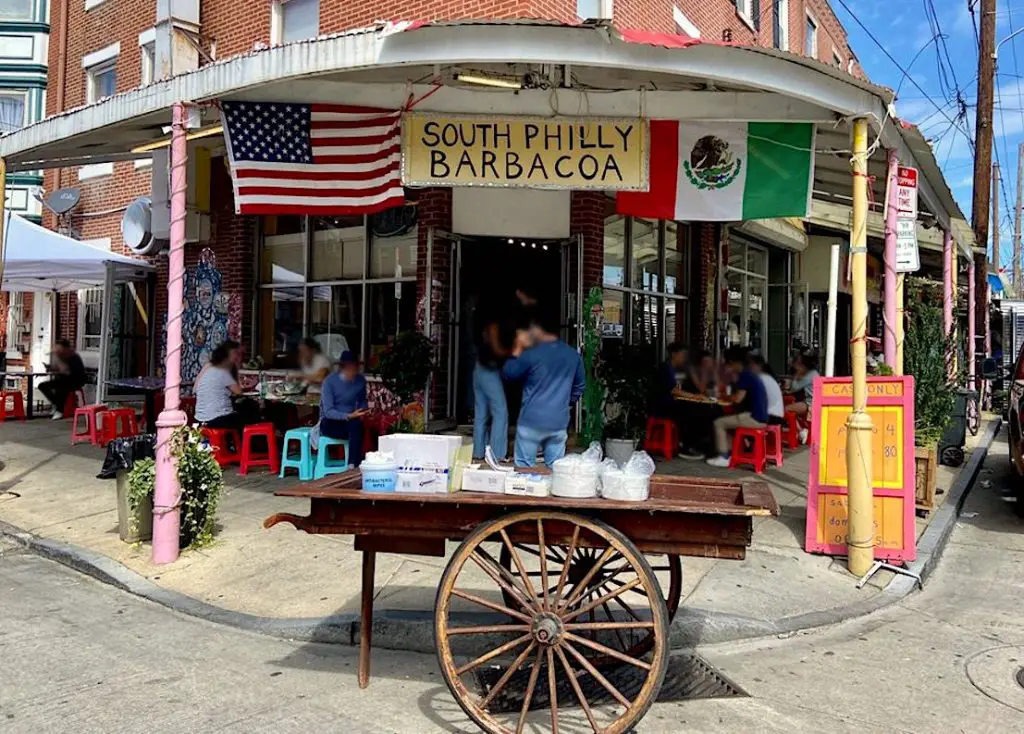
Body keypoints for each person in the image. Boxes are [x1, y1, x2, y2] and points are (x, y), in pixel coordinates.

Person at [502, 309, 585, 467]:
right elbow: (579, 386)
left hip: (531, 420)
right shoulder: (573, 355)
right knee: (555, 471)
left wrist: (517, 347)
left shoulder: (531, 353)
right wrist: (567, 404)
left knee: (524, 471)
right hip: (558, 421)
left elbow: (508, 373)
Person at [706, 347, 769, 468]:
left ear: (733, 362)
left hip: (754, 418)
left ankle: (724, 457)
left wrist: (724, 396)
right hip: (761, 417)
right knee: (726, 421)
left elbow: (738, 398)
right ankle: (729, 453)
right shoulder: (751, 373)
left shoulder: (745, 375)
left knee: (719, 423)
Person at [650, 343, 704, 460]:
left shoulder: (675, 369)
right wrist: (694, 397)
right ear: (674, 354)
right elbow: (674, 391)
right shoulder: (666, 368)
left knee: (696, 410)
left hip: (670, 404)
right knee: (691, 413)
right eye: (682, 355)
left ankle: (688, 444)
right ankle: (685, 446)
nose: (684, 358)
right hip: (662, 407)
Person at [472, 299, 509, 461]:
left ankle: (478, 452)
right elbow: (497, 349)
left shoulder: (479, 325)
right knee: (500, 412)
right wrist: (512, 351)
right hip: (489, 371)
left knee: (481, 414)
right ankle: (497, 454)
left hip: (478, 369)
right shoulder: (493, 325)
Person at [319, 350, 369, 467]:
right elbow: (328, 412)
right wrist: (348, 416)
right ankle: (352, 464)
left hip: (351, 421)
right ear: (343, 368)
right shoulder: (329, 382)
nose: (353, 371)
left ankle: (353, 464)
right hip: (331, 422)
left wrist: (363, 410)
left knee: (357, 426)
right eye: (350, 368)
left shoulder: (360, 380)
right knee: (354, 426)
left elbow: (362, 400)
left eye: (355, 367)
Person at [194, 340, 253, 429]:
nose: (239, 358)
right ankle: (247, 441)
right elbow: (238, 391)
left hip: (200, 418)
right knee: (249, 413)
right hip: (216, 419)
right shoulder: (223, 369)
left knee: (243, 408)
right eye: (237, 354)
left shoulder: (212, 367)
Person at [39, 339, 87, 420]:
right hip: (64, 379)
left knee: (62, 389)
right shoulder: (62, 356)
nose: (59, 351)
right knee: (42, 386)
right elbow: (58, 370)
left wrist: (57, 358)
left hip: (76, 380)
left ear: (65, 348)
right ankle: (56, 404)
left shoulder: (73, 356)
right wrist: (50, 367)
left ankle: (59, 410)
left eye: (60, 349)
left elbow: (67, 371)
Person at [786, 353, 820, 443]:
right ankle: (802, 430)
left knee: (785, 409)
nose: (797, 366)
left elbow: (795, 387)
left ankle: (801, 431)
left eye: (799, 364)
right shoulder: (813, 373)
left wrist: (797, 374)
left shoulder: (810, 375)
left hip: (810, 404)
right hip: (811, 402)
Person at [749, 355, 785, 426]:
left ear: (756, 366)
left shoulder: (760, 378)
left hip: (770, 416)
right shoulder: (766, 377)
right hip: (776, 415)